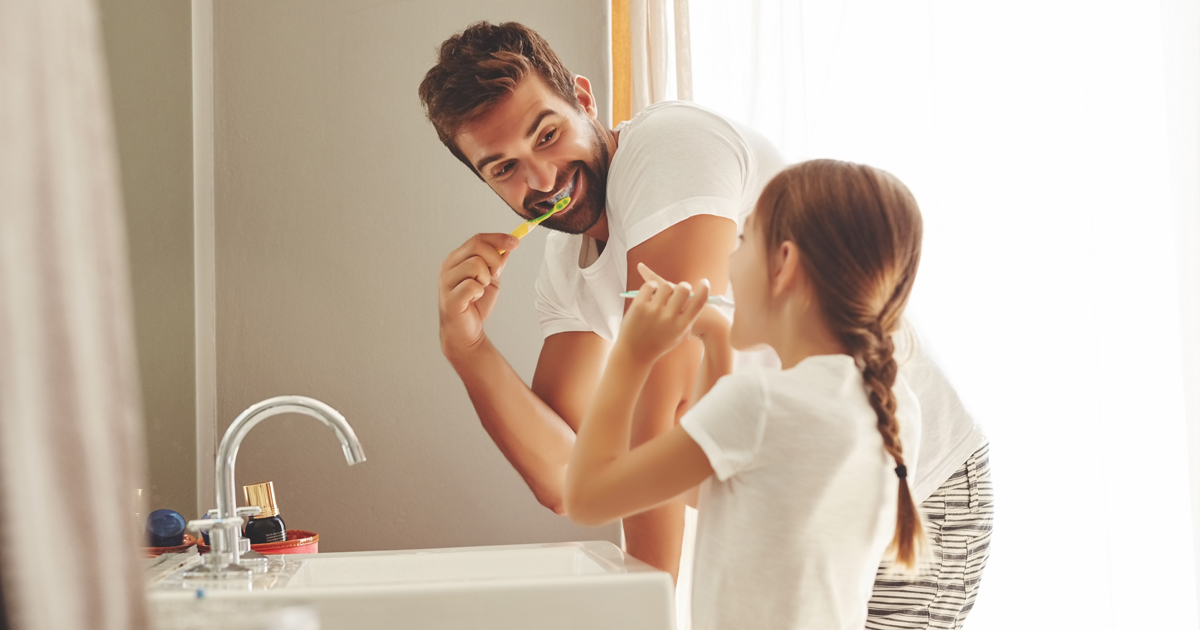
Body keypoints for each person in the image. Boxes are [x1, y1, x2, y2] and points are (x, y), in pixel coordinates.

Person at [419, 21, 992, 629]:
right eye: (504, 168)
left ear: (584, 99)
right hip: (794, 503)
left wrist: (647, 617)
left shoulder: (668, 150)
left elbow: (661, 418)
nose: (541, 179)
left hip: (915, 492)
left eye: (548, 134)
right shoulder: (566, 265)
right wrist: (467, 346)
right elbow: (571, 478)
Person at [565, 159, 925, 630]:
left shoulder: (761, 403)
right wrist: (716, 339)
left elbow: (587, 498)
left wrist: (632, 355)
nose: (730, 262)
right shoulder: (894, 405)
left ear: (784, 264)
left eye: (743, 238)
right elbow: (711, 490)